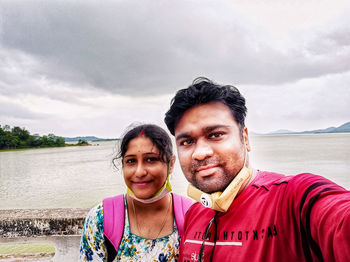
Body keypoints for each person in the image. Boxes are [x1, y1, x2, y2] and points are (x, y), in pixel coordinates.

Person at [164, 77, 350, 262]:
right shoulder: (195, 213)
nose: (200, 153)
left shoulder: (293, 198)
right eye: (187, 142)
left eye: (216, 135)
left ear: (245, 138)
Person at [79, 124, 192, 262]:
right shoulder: (100, 218)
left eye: (151, 159)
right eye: (131, 161)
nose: (139, 172)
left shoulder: (191, 216)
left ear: (171, 164)